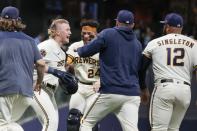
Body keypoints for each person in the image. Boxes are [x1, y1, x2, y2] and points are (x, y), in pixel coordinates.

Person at [76, 10, 149, 131]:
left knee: (86, 123)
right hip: (132, 94)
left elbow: (85, 52)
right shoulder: (137, 44)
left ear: (117, 23)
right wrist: (143, 88)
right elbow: (140, 70)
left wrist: (78, 50)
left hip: (110, 91)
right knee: (131, 129)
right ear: (132, 25)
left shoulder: (108, 34)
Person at [141, 13, 197, 131]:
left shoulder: (155, 42)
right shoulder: (194, 44)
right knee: (173, 129)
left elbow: (141, 69)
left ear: (167, 27)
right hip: (184, 90)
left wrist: (144, 89)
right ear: (181, 27)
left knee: (158, 128)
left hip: (164, 88)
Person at [0, 6, 45, 131]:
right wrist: (39, 83)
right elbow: (41, 64)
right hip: (26, 92)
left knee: (2, 124)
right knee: (10, 123)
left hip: (4, 89)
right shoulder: (30, 40)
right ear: (18, 20)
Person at [31, 18, 71, 131]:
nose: (70, 32)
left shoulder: (62, 52)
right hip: (37, 87)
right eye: (67, 30)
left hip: (50, 91)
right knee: (50, 121)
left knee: (53, 124)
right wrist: (53, 71)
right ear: (58, 32)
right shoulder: (46, 46)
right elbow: (32, 63)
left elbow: (60, 75)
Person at [66, 20, 100, 131]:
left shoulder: (103, 48)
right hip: (79, 87)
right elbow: (67, 64)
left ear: (96, 34)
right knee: (72, 120)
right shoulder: (75, 46)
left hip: (95, 89)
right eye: (83, 33)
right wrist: (66, 68)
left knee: (89, 123)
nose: (86, 36)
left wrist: (102, 81)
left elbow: (113, 69)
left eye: (89, 34)